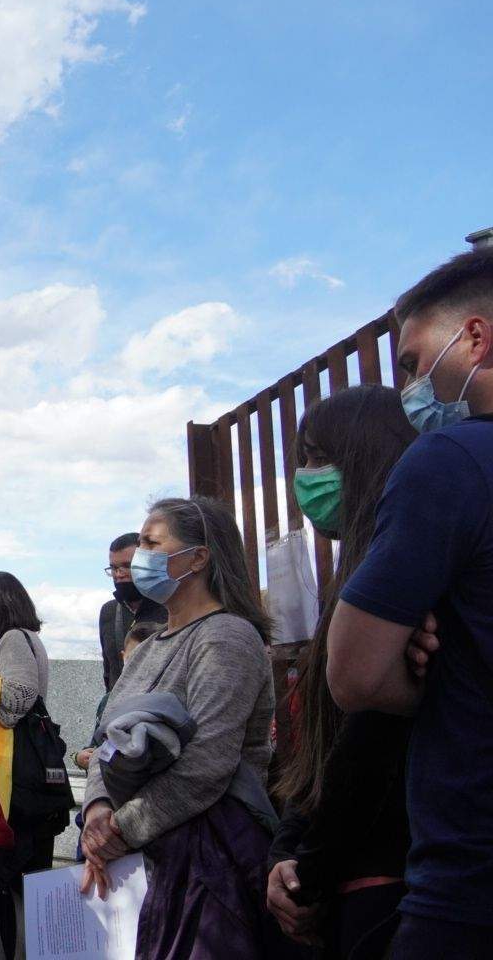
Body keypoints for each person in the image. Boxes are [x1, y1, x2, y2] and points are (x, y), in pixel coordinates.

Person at [327, 247, 493, 958]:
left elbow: (354, 676)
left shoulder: (450, 461)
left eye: (412, 361)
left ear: (475, 338)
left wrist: (435, 667)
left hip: (469, 886)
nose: (408, 389)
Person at [80, 497, 282, 957]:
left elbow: (208, 762)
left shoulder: (226, 636)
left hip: (207, 867)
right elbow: (105, 741)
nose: (140, 556)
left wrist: (118, 830)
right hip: (144, 862)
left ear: (198, 558)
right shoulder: (150, 647)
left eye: (151, 543)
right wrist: (96, 811)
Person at [265, 386, 416, 959]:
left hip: (390, 884)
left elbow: (369, 742)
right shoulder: (350, 581)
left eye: (319, 457)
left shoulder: (401, 579)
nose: (307, 476)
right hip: (343, 876)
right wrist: (286, 852)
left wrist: (310, 872)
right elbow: (319, 753)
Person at [0, 572, 64, 959]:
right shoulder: (28, 639)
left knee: (8, 877)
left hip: (12, 781)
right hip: (25, 778)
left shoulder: (14, 639)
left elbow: (19, 699)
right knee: (21, 878)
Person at [73, 622, 163, 771]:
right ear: (123, 657)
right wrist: (79, 757)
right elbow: (97, 744)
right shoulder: (109, 701)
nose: (140, 666)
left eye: (149, 659)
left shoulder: (167, 704)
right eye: (134, 658)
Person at [98, 532, 164, 691]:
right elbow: (109, 673)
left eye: (127, 566)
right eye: (113, 568)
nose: (118, 574)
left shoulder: (172, 608)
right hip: (120, 704)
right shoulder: (109, 611)